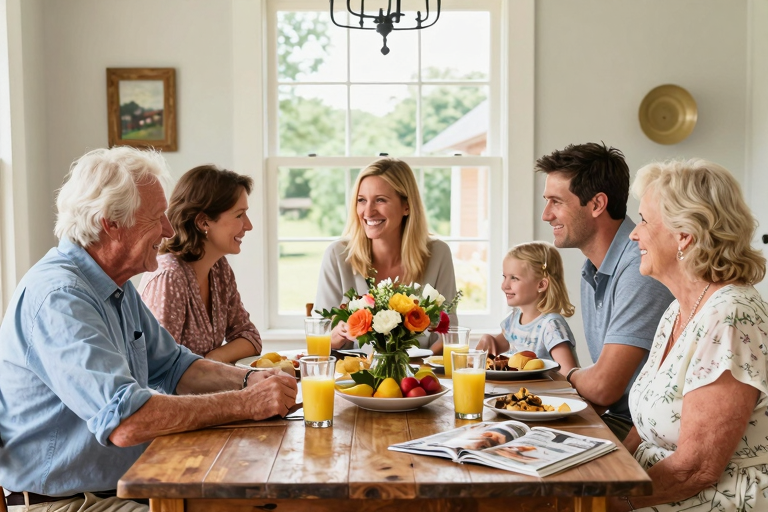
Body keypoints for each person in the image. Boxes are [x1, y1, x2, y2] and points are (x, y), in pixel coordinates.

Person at [0, 147, 297, 512]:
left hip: (126, 488)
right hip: (64, 503)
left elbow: (175, 366)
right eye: (157, 218)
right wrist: (245, 404)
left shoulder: (115, 284)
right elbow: (124, 421)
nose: (170, 229)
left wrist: (251, 382)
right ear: (111, 222)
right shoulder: (60, 297)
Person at [608, 159, 768, 512]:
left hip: (712, 499)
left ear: (684, 235)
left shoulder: (731, 316)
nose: (634, 233)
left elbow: (696, 468)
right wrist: (611, 474)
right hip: (657, 488)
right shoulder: (682, 307)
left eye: (645, 221)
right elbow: (646, 421)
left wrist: (615, 502)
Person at [537, 142, 674, 440]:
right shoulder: (593, 270)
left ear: (597, 204)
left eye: (556, 202)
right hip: (614, 418)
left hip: (640, 431)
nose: (546, 215)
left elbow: (604, 387)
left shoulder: (639, 268)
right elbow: (600, 389)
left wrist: (566, 374)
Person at [314, 158, 458, 353]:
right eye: (361, 200)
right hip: (355, 378)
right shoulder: (338, 255)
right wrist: (338, 334)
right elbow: (318, 339)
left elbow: (448, 335)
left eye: (380, 200)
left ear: (406, 206)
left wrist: (421, 365)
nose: (368, 211)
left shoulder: (438, 254)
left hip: (419, 378)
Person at [139, 165, 261, 363]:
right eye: (239, 215)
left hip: (210, 389)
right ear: (203, 222)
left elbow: (250, 338)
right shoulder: (169, 278)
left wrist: (212, 359)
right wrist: (209, 366)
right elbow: (159, 370)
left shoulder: (220, 269)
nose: (248, 225)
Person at [476, 241, 579, 375]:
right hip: (521, 392)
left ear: (541, 285)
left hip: (546, 394)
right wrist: (488, 339)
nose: (504, 285)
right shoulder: (513, 319)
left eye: (514, 278)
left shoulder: (551, 326)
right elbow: (496, 346)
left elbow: (569, 373)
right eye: (504, 277)